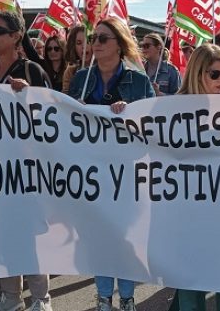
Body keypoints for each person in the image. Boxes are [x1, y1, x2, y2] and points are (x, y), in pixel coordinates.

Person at [68, 17, 154, 311]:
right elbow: (66, 118)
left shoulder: (138, 80)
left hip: (127, 173)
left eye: (103, 38)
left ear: (119, 43)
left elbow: (152, 122)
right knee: (99, 235)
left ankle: (127, 297)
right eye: (94, 38)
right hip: (92, 172)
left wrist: (129, 113)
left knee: (126, 237)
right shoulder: (81, 78)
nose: (96, 43)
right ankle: (104, 297)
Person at [0, 12, 52, 311]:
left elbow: (50, 114)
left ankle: (40, 298)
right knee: (0, 233)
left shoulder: (32, 71)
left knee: (30, 234)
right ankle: (10, 296)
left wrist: (30, 95)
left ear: (16, 37)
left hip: (28, 169)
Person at [171, 44, 220, 311]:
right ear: (197, 72)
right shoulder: (173, 107)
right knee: (190, 284)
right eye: (214, 74)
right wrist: (119, 111)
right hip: (188, 209)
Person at [61, 25, 88, 93]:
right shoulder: (71, 71)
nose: (84, 46)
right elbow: (66, 97)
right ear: (74, 47)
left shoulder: (103, 69)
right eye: (79, 43)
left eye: (88, 41)